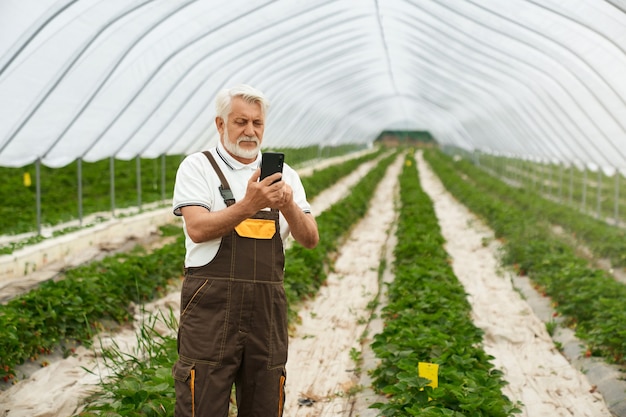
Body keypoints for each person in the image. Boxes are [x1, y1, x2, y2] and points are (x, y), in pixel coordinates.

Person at [171, 84, 319, 417]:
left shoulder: (286, 176)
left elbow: (310, 238)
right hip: (211, 310)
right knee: (201, 400)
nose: (250, 131)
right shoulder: (197, 168)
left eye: (257, 123)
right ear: (220, 125)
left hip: (266, 314)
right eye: (240, 122)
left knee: (265, 402)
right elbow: (197, 229)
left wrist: (289, 205)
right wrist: (250, 204)